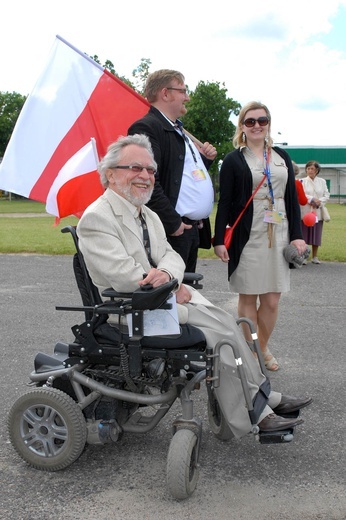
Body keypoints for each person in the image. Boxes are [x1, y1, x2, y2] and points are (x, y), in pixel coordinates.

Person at [77, 133, 312, 440]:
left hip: (163, 301)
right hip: (132, 311)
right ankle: (253, 415)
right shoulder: (97, 218)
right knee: (222, 337)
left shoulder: (146, 214)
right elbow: (125, 277)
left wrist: (169, 279)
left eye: (150, 170)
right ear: (110, 173)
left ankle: (262, 395)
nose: (145, 176)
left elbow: (171, 256)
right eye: (135, 168)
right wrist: (170, 285)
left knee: (230, 324)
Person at [213, 101, 307, 372]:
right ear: (242, 126)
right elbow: (226, 202)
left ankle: (259, 348)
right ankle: (253, 355)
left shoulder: (281, 157)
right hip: (248, 237)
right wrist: (219, 239)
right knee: (248, 299)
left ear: (268, 124)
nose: (256, 126)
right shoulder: (233, 160)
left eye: (262, 121)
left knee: (272, 300)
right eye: (250, 121)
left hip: (279, 234)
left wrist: (298, 236)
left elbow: (291, 199)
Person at [127, 69, 217, 273]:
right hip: (172, 232)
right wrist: (173, 223)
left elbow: (180, 175)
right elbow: (145, 181)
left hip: (189, 230)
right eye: (183, 91)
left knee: (186, 297)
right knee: (171, 298)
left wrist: (205, 160)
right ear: (165, 93)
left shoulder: (177, 129)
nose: (188, 97)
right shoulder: (147, 128)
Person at [300, 160, 330, 264]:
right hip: (306, 211)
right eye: (308, 168)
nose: (310, 170)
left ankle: (315, 257)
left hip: (318, 211)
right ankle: (304, 257)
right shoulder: (302, 181)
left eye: (312, 169)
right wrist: (312, 199)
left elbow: (326, 195)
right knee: (304, 234)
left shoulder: (322, 181)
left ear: (317, 170)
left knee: (316, 234)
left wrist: (319, 201)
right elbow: (302, 194)